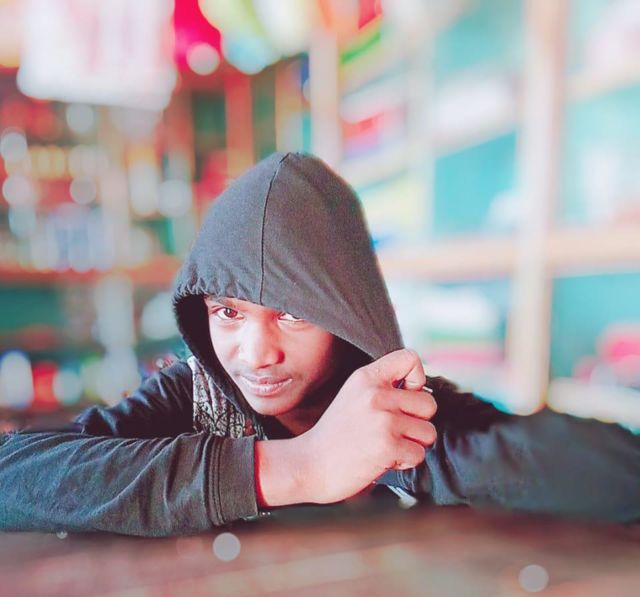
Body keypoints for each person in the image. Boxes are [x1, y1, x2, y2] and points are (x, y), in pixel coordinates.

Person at [1, 151, 638, 537]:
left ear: (346, 315)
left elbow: (617, 475)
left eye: (292, 315)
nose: (255, 354)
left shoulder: (395, 408)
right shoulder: (198, 396)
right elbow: (14, 476)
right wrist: (299, 467)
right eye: (228, 312)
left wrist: (401, 459)